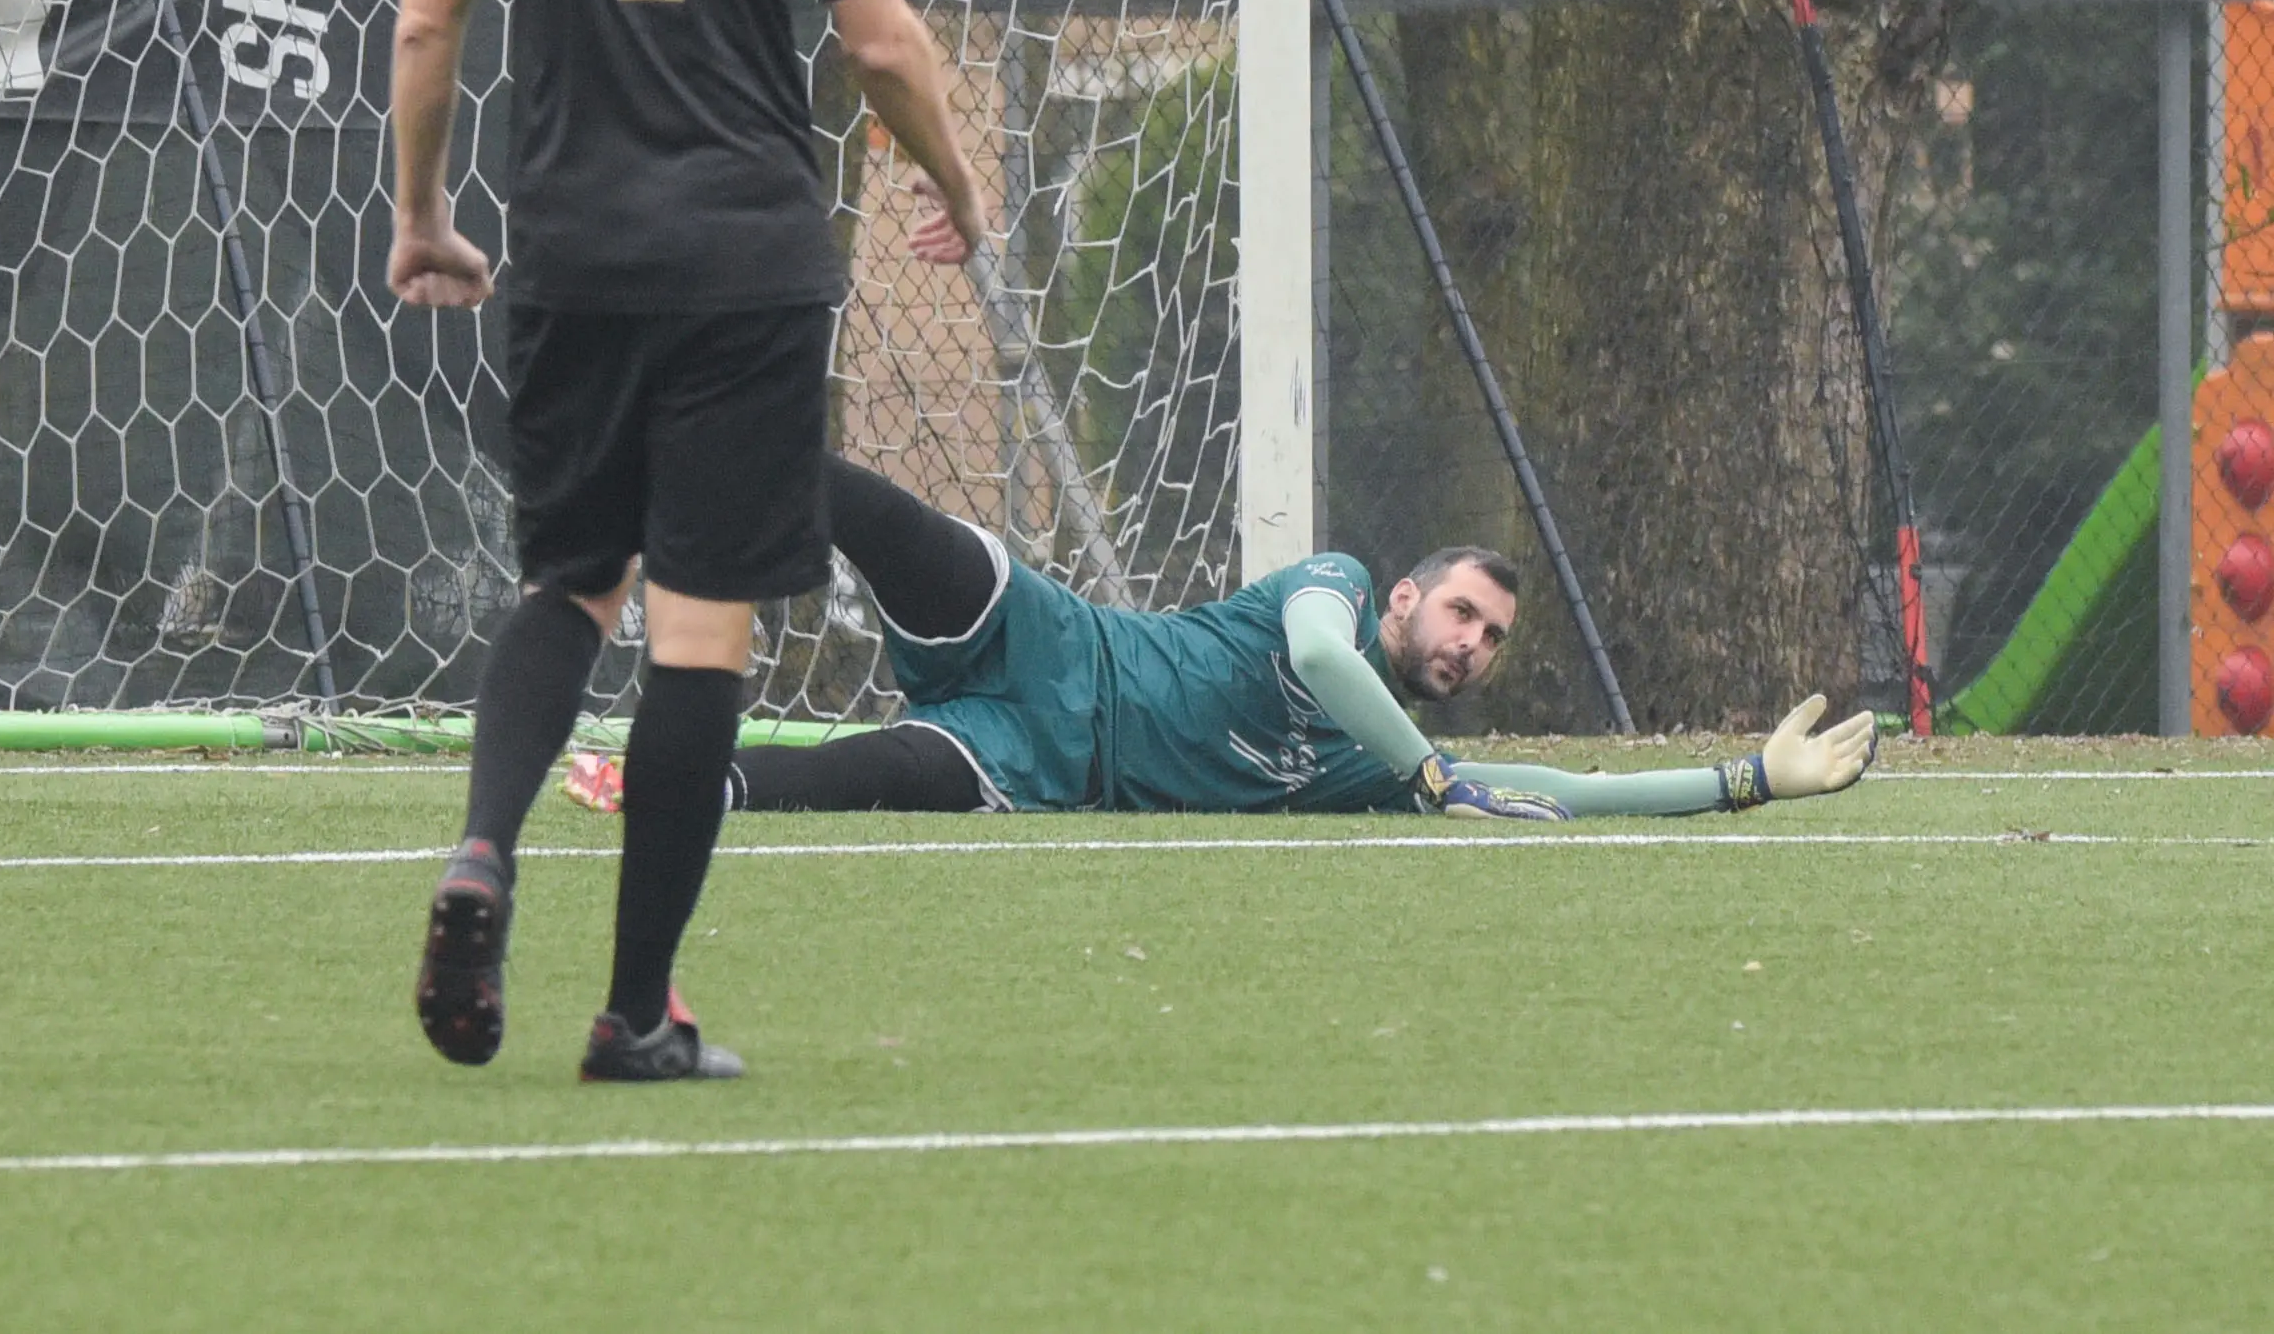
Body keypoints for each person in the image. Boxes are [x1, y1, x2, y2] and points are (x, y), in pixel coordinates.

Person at [387, 0, 988, 1082]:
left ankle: (483, 848)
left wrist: (424, 215)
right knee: (699, 625)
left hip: (570, 253)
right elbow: (881, 43)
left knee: (567, 584)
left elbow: (430, 14)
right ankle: (635, 1011)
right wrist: (954, 178)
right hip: (741, 263)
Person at [563, 458, 1879, 819]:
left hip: (1031, 759)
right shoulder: (1339, 587)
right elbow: (1314, 654)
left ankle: (675, 776)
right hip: (1052, 637)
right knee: (872, 507)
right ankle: (669, 466)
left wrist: (1746, 778)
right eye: (1463, 609)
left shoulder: (1388, 773)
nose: (1474, 641)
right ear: (1408, 598)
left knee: (854, 779)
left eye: (1493, 635)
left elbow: (1561, 790)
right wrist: (1430, 770)